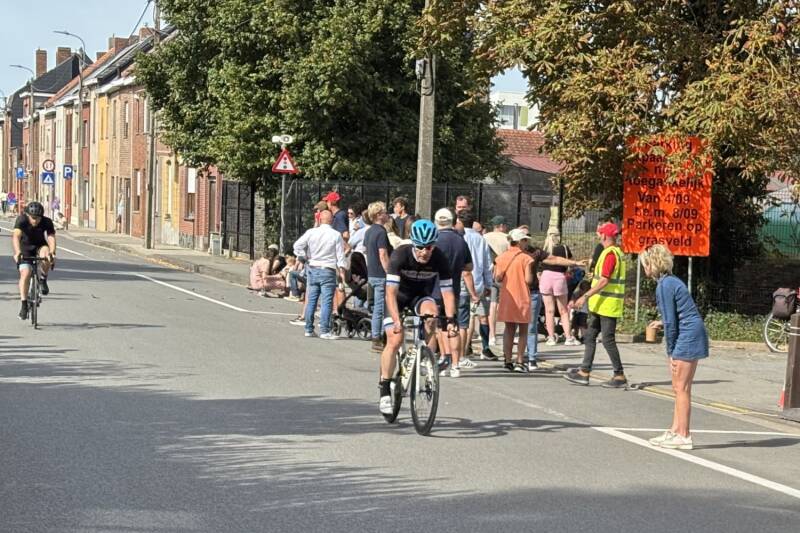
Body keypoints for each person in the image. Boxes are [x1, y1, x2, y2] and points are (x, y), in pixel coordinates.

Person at [378, 219, 457, 414]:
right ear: (413, 243)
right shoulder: (400, 256)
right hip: (398, 297)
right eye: (420, 247)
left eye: (429, 247)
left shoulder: (439, 258)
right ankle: (385, 388)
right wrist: (397, 321)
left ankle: (426, 360)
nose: (424, 252)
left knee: (432, 316)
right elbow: (390, 293)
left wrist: (451, 320)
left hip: (421, 296)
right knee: (395, 340)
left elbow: (447, 292)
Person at [642, 245, 708, 451]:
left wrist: (670, 352)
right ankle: (674, 430)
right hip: (693, 331)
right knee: (681, 387)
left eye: (645, 264)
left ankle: (683, 435)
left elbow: (671, 322)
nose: (644, 268)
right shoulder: (671, 282)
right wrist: (660, 322)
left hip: (687, 336)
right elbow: (676, 314)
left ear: (653, 264)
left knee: (681, 388)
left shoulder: (664, 285)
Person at [565, 222, 628, 388]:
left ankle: (619, 375)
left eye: (600, 233)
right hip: (601, 304)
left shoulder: (610, 254)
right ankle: (584, 372)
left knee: (607, 340)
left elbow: (604, 280)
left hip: (607, 305)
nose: (598, 236)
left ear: (605, 236)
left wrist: (584, 296)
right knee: (590, 336)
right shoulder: (613, 252)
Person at [432, 208, 475, 377]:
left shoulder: (434, 240)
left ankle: (445, 358)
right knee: (453, 325)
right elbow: (469, 266)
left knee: (440, 327)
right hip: (454, 288)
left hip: (435, 287)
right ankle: (456, 364)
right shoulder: (460, 241)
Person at [293, 210, 348, 339]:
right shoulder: (336, 235)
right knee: (326, 301)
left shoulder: (311, 232)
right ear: (332, 220)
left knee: (312, 299)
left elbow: (297, 245)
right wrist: (342, 271)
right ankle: (325, 330)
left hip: (312, 267)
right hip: (327, 269)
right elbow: (340, 256)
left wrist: (304, 256)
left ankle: (308, 328)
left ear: (319, 219)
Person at [456, 211, 495, 361]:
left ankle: (464, 350)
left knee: (464, 319)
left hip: (462, 280)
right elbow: (487, 263)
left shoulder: (459, 237)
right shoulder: (481, 239)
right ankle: (485, 347)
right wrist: (488, 283)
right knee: (482, 316)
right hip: (478, 281)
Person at [12, 202, 57, 320]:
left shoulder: (46, 222)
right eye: (33, 218)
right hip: (25, 248)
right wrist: (17, 252)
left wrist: (52, 252)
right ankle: (24, 305)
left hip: (40, 246)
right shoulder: (21, 220)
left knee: (46, 254)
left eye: (38, 218)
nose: (36, 221)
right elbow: (16, 236)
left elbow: (51, 237)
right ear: (27, 215)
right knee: (25, 273)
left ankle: (43, 279)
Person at [540, 228, 581, 346]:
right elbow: (570, 262)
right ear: (559, 235)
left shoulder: (545, 249)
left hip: (546, 277)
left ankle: (551, 337)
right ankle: (568, 337)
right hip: (559, 278)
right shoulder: (564, 248)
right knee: (563, 310)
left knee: (549, 311)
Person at [364, 201, 392, 352]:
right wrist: (389, 271)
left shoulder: (369, 231)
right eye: (385, 212)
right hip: (381, 274)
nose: (387, 214)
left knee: (376, 306)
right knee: (380, 308)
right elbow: (383, 253)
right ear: (378, 215)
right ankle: (377, 337)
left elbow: (367, 251)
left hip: (372, 273)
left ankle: (377, 335)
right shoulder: (381, 232)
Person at [484, 216, 509, 347]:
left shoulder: (485, 237)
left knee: (492, 305)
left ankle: (492, 335)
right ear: (501, 225)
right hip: (504, 273)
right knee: (503, 304)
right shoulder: (507, 238)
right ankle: (507, 332)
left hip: (489, 273)